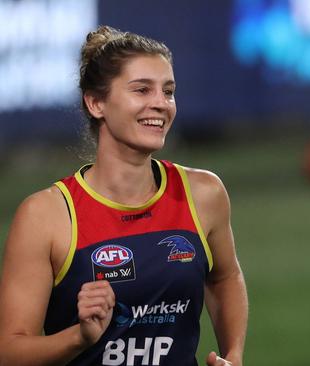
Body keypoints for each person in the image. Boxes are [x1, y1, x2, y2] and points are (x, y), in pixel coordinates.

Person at [0, 26, 247, 366]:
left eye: (169, 91)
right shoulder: (47, 215)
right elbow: (9, 351)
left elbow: (225, 276)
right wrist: (80, 337)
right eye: (142, 90)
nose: (160, 104)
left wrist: (233, 354)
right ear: (96, 103)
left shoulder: (203, 193)